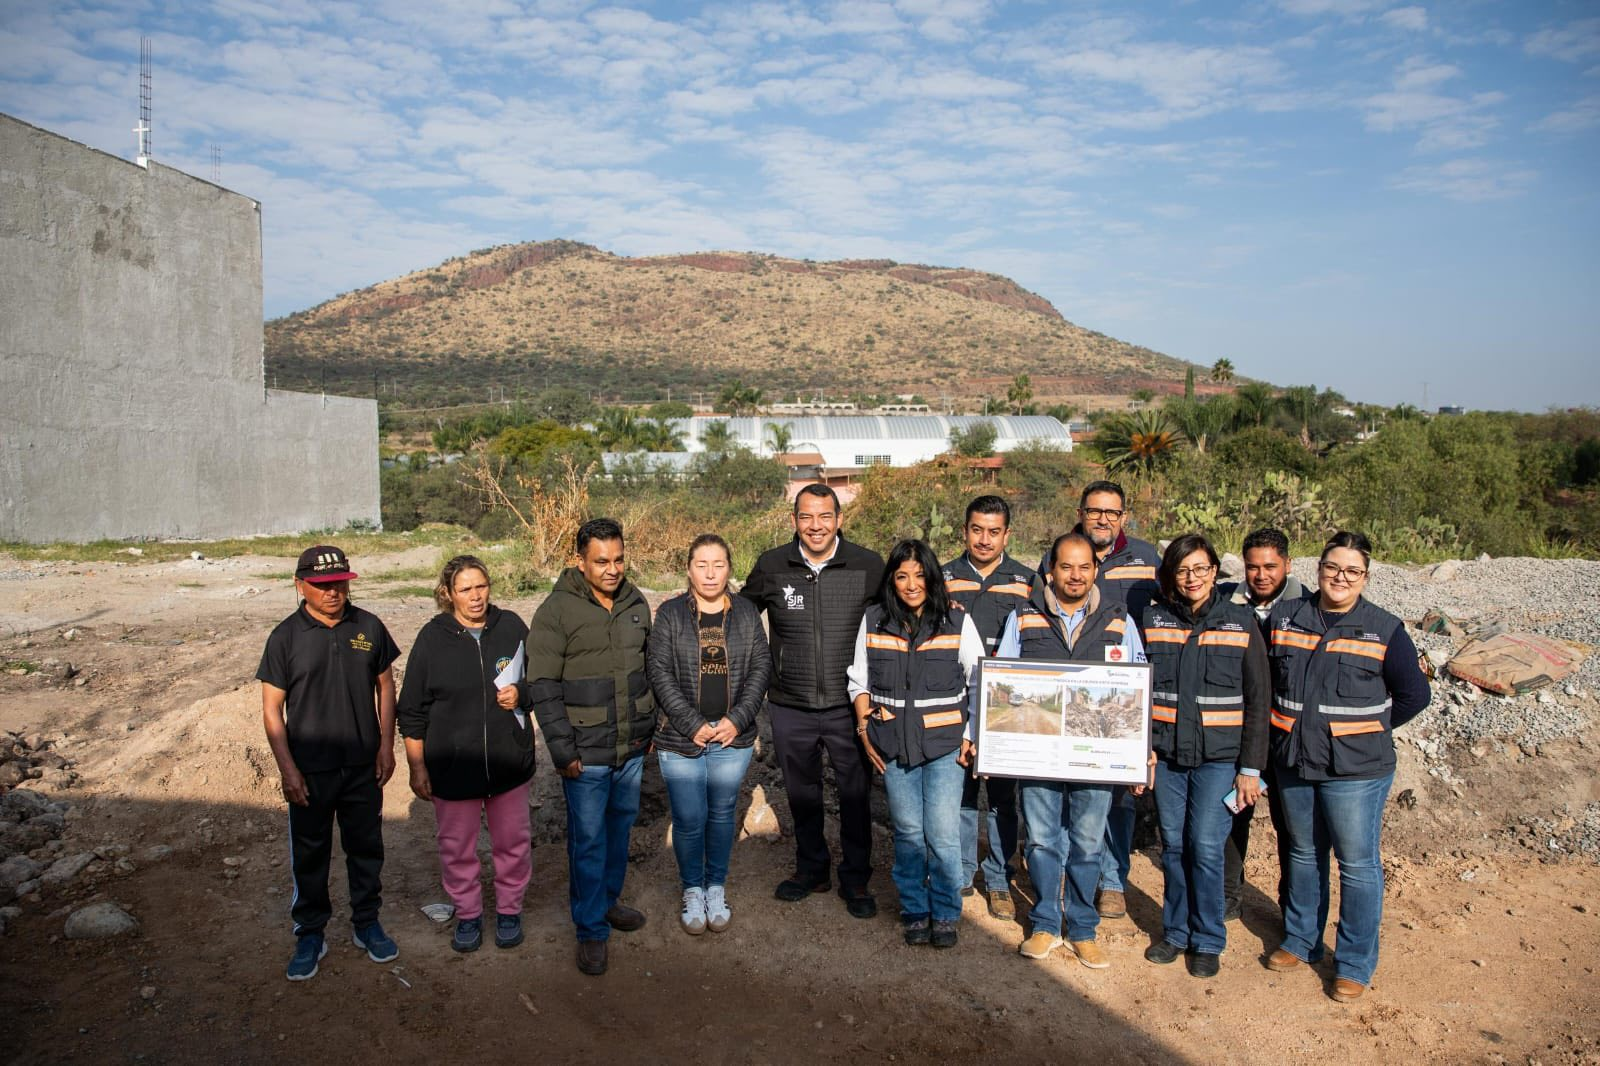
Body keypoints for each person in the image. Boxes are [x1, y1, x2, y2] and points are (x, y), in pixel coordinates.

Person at [1264, 531, 1430, 1002]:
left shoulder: (1384, 629)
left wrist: (1366, 731)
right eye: (1333, 568)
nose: (1341, 578)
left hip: (1356, 771)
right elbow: (1267, 681)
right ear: (1318, 569)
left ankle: (1354, 963)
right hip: (1294, 760)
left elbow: (1415, 695)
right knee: (1302, 853)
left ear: (1366, 577)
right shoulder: (1285, 617)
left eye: (1352, 571)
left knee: (1356, 866)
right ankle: (1301, 940)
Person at [1000, 532, 1145, 968]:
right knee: (1042, 841)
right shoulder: (1023, 617)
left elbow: (1136, 688)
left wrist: (1141, 752)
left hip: (1095, 757)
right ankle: (1045, 923)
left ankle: (1082, 928)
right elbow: (1002, 679)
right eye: (1066, 566)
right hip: (1039, 754)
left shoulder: (1119, 620)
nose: (1076, 575)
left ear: (1095, 570)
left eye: (1084, 566)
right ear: (1050, 572)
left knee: (1087, 843)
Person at [741, 484, 885, 919]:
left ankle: (856, 877)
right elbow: (741, 614)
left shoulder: (867, 565)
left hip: (849, 704)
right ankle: (811, 869)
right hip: (790, 703)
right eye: (806, 517)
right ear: (794, 520)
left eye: (825, 516)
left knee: (855, 794)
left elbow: (897, 616)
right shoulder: (772, 564)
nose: (816, 526)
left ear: (839, 519)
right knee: (802, 794)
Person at [257, 545, 401, 981]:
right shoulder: (285, 638)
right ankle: (310, 933)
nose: (333, 592)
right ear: (300, 585)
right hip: (309, 770)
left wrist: (386, 746)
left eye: (339, 583)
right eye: (322, 585)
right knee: (310, 853)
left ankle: (366, 923)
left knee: (366, 848)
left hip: (362, 766)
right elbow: (271, 710)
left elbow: (386, 686)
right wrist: (288, 770)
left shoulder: (368, 627)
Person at [528, 518, 656, 976]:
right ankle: (590, 929)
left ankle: (607, 902)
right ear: (579, 561)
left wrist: (648, 728)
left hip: (630, 749)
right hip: (585, 753)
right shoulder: (556, 611)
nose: (612, 569)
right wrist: (563, 751)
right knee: (588, 842)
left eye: (618, 559)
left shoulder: (635, 602)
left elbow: (649, 670)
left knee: (619, 833)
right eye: (601, 561)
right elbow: (542, 685)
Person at [1138, 534, 1270, 978]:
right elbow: (1136, 692)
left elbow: (1259, 700)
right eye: (1182, 570)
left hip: (1220, 761)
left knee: (1207, 847)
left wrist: (1250, 768)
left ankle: (1208, 939)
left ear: (1214, 571)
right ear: (1170, 575)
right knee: (1174, 847)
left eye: (1200, 568)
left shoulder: (1240, 621)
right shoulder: (1153, 620)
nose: (1191, 578)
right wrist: (1140, 753)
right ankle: (1176, 933)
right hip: (1168, 758)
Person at [849, 540, 984, 948]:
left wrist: (971, 735)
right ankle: (914, 909)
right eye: (902, 576)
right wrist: (864, 731)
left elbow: (979, 681)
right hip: (893, 745)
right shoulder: (874, 620)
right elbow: (859, 680)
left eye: (920, 575)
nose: (911, 585)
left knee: (942, 834)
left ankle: (945, 912)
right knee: (908, 832)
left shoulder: (956, 621)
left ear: (933, 578)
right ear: (891, 580)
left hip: (945, 747)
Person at [397, 555, 535, 954]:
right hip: (452, 768)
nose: (476, 597)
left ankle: (509, 911)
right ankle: (469, 914)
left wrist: (522, 693)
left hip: (508, 762)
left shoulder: (511, 626)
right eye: (465, 589)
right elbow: (412, 711)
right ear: (448, 594)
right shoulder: (431, 639)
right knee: (457, 849)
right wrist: (417, 766)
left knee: (514, 844)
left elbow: (540, 681)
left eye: (481, 586)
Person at [647, 533, 772, 936]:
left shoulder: (746, 613)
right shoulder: (670, 615)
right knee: (688, 819)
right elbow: (659, 672)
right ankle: (692, 889)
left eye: (718, 565)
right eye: (702, 565)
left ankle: (715, 886)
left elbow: (761, 667)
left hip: (732, 738)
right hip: (680, 738)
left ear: (729, 568)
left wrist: (738, 719)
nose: (710, 573)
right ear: (688, 569)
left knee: (721, 814)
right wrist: (691, 723)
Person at [1068, 480, 1161, 924]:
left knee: (1120, 794)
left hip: (1126, 690)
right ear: (1081, 513)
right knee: (1075, 790)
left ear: (1124, 516)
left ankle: (1112, 881)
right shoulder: (1062, 552)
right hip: (1077, 690)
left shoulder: (1146, 559)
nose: (1102, 519)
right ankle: (1074, 873)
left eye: (1111, 512)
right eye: (1094, 511)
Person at [943, 495, 1038, 921]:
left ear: (1007, 535)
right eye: (977, 530)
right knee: (961, 794)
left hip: (1006, 707)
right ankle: (962, 870)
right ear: (964, 531)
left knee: (1002, 796)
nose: (984, 539)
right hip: (954, 700)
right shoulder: (943, 577)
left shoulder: (1026, 581)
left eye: (994, 532)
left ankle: (999, 877)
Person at [1218, 527, 1303, 922]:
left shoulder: (1308, 608)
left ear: (1287, 564)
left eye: (1271, 566)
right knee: (1233, 817)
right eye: (1253, 567)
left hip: (1289, 737)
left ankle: (1292, 909)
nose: (1261, 575)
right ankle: (1227, 897)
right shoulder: (1225, 603)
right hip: (1240, 733)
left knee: (1293, 828)